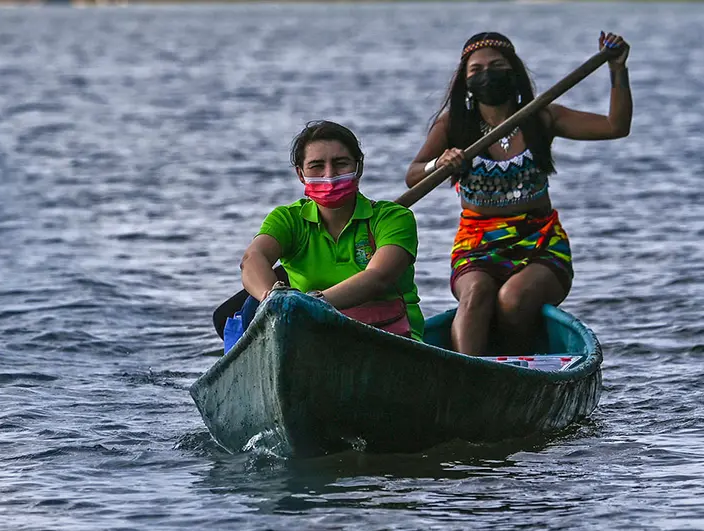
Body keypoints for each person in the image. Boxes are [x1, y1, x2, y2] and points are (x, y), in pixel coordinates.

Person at [404, 31, 632, 355]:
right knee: (476, 294)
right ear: (466, 83)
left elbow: (615, 126)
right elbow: (413, 176)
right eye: (476, 70)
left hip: (540, 242)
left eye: (497, 66)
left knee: (513, 298)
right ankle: (468, 371)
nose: (487, 74)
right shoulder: (453, 124)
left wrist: (617, 69)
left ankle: (512, 368)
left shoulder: (542, 116)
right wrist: (439, 163)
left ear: (514, 72)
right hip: (477, 244)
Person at [240, 120, 425, 340]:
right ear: (301, 174)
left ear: (358, 167)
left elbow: (378, 277)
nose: (329, 175)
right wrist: (271, 297)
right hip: (314, 335)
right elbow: (253, 258)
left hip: (391, 335)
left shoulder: (393, 218)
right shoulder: (288, 219)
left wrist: (312, 303)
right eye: (317, 166)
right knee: (251, 307)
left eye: (340, 163)